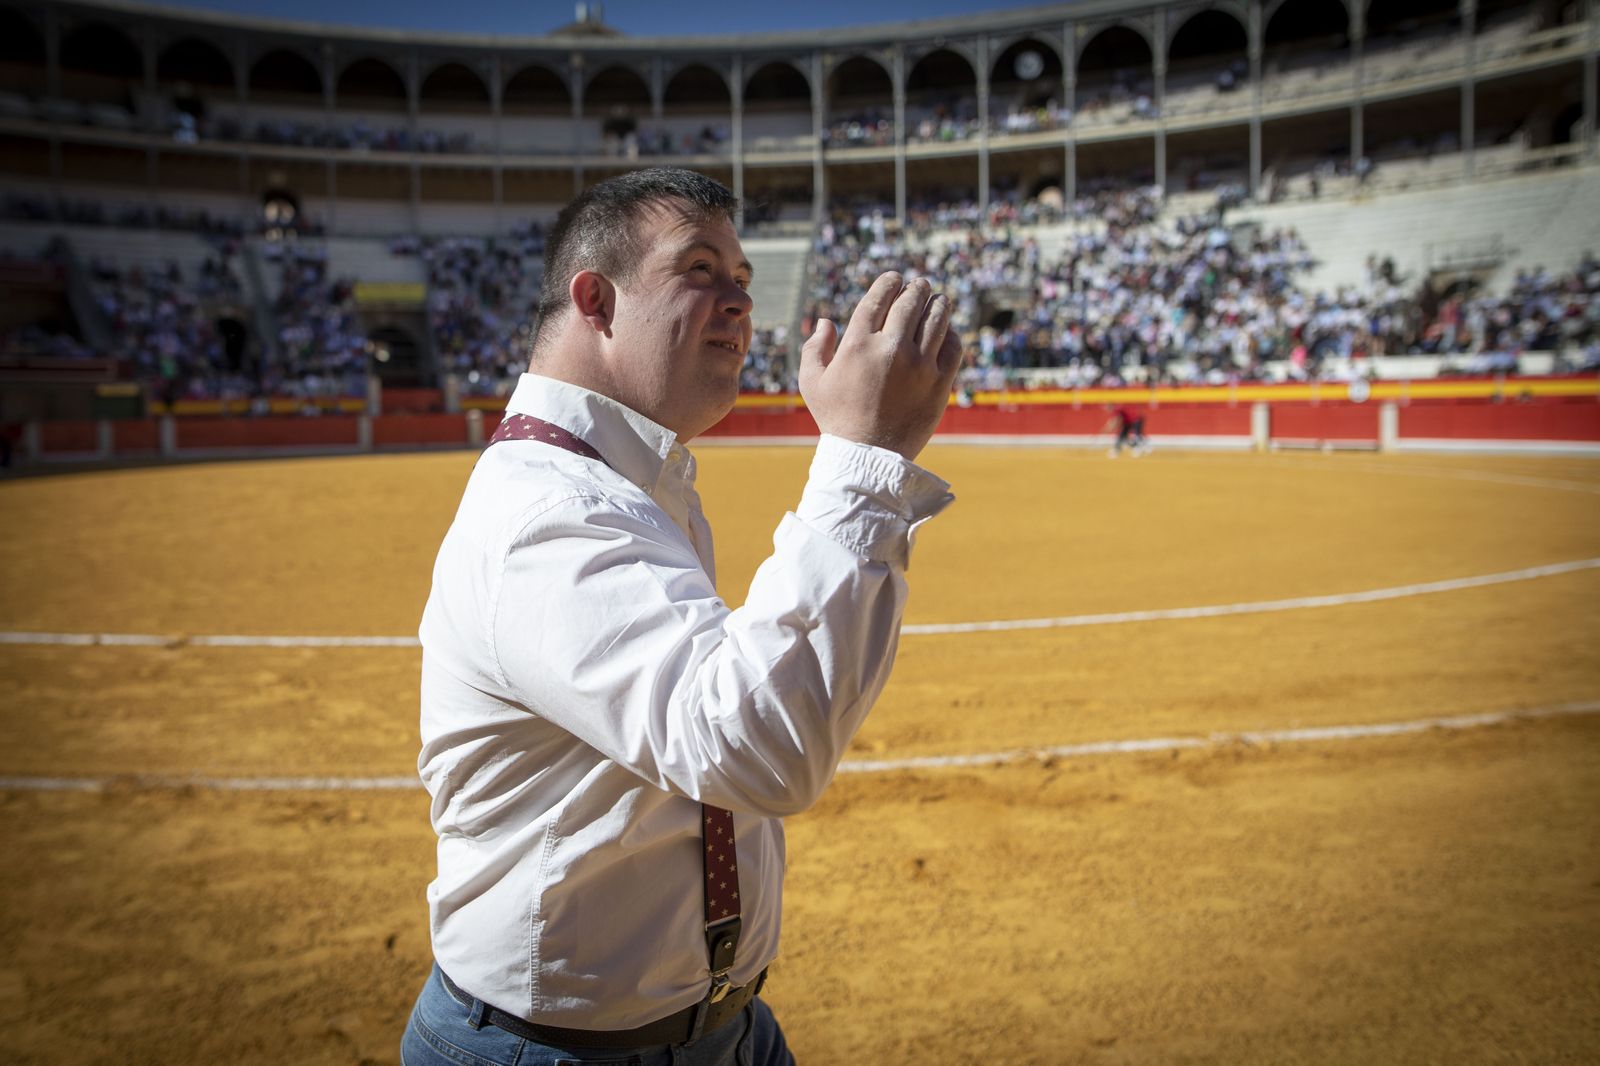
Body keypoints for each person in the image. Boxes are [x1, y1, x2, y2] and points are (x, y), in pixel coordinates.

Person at [403, 167, 963, 1066]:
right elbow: (752, 746)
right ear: (596, 299)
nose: (739, 303)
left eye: (742, 279)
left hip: (717, 1029)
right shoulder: (545, 514)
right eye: (701, 269)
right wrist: (864, 460)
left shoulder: (627, 481)